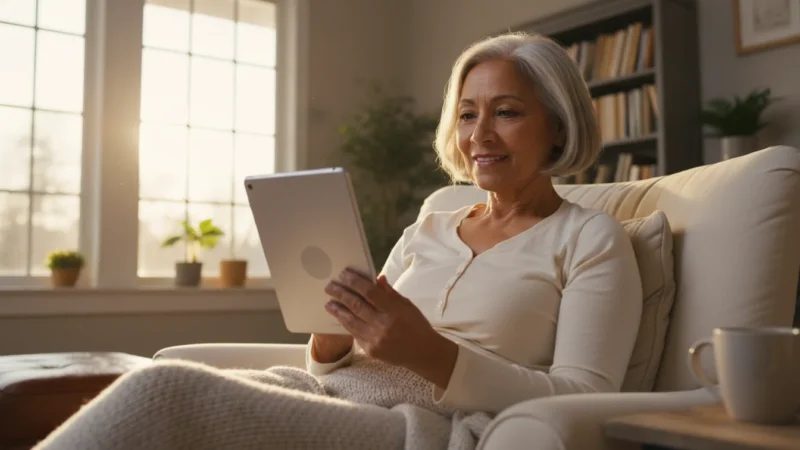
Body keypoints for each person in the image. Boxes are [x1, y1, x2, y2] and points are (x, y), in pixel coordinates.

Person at [34, 31, 642, 450]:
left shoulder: (590, 238)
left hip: (420, 426)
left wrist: (429, 351)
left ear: (557, 126)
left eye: (506, 112)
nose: (479, 134)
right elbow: (340, 358)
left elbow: (584, 397)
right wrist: (330, 337)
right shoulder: (429, 225)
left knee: (164, 391)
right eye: (466, 114)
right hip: (330, 391)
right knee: (165, 385)